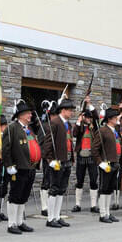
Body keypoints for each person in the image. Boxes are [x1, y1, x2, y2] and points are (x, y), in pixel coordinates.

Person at [2, 101, 41, 234]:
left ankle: (20, 221)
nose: (30, 115)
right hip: (18, 167)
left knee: (24, 195)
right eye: (28, 113)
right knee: (15, 195)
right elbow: (6, 148)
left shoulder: (28, 129)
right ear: (20, 115)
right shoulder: (12, 128)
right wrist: (9, 165)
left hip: (30, 167)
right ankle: (12, 223)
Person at [43, 95, 75, 228]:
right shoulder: (55, 122)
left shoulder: (68, 124)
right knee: (54, 189)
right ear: (63, 110)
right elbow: (48, 143)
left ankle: (57, 216)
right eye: (69, 110)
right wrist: (49, 159)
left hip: (66, 159)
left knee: (62, 189)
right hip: (57, 160)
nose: (71, 112)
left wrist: (72, 158)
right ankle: (50, 218)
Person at [92, 107, 121, 223]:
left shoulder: (115, 130)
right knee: (104, 189)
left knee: (110, 189)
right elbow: (94, 149)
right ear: (109, 119)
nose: (117, 119)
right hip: (106, 164)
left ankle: (108, 213)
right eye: (115, 117)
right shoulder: (102, 131)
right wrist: (100, 162)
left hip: (114, 163)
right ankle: (102, 214)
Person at [72, 96, 99, 213]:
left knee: (93, 180)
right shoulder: (80, 126)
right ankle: (77, 204)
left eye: (89, 117)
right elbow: (74, 134)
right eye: (86, 117)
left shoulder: (95, 126)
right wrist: (78, 121)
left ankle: (93, 205)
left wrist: (89, 104)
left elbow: (96, 116)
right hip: (81, 156)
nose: (88, 119)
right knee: (79, 180)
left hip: (92, 157)